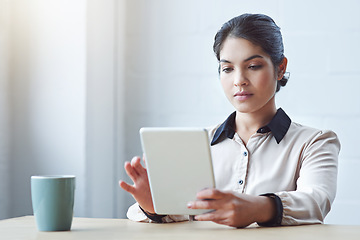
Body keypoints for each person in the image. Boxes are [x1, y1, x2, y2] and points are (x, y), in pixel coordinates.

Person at [119, 13, 340, 228]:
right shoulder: (198, 144)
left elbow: (315, 202)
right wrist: (155, 206)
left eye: (253, 66)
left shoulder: (314, 142)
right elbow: (182, 214)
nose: (239, 81)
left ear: (280, 68)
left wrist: (259, 208)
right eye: (227, 69)